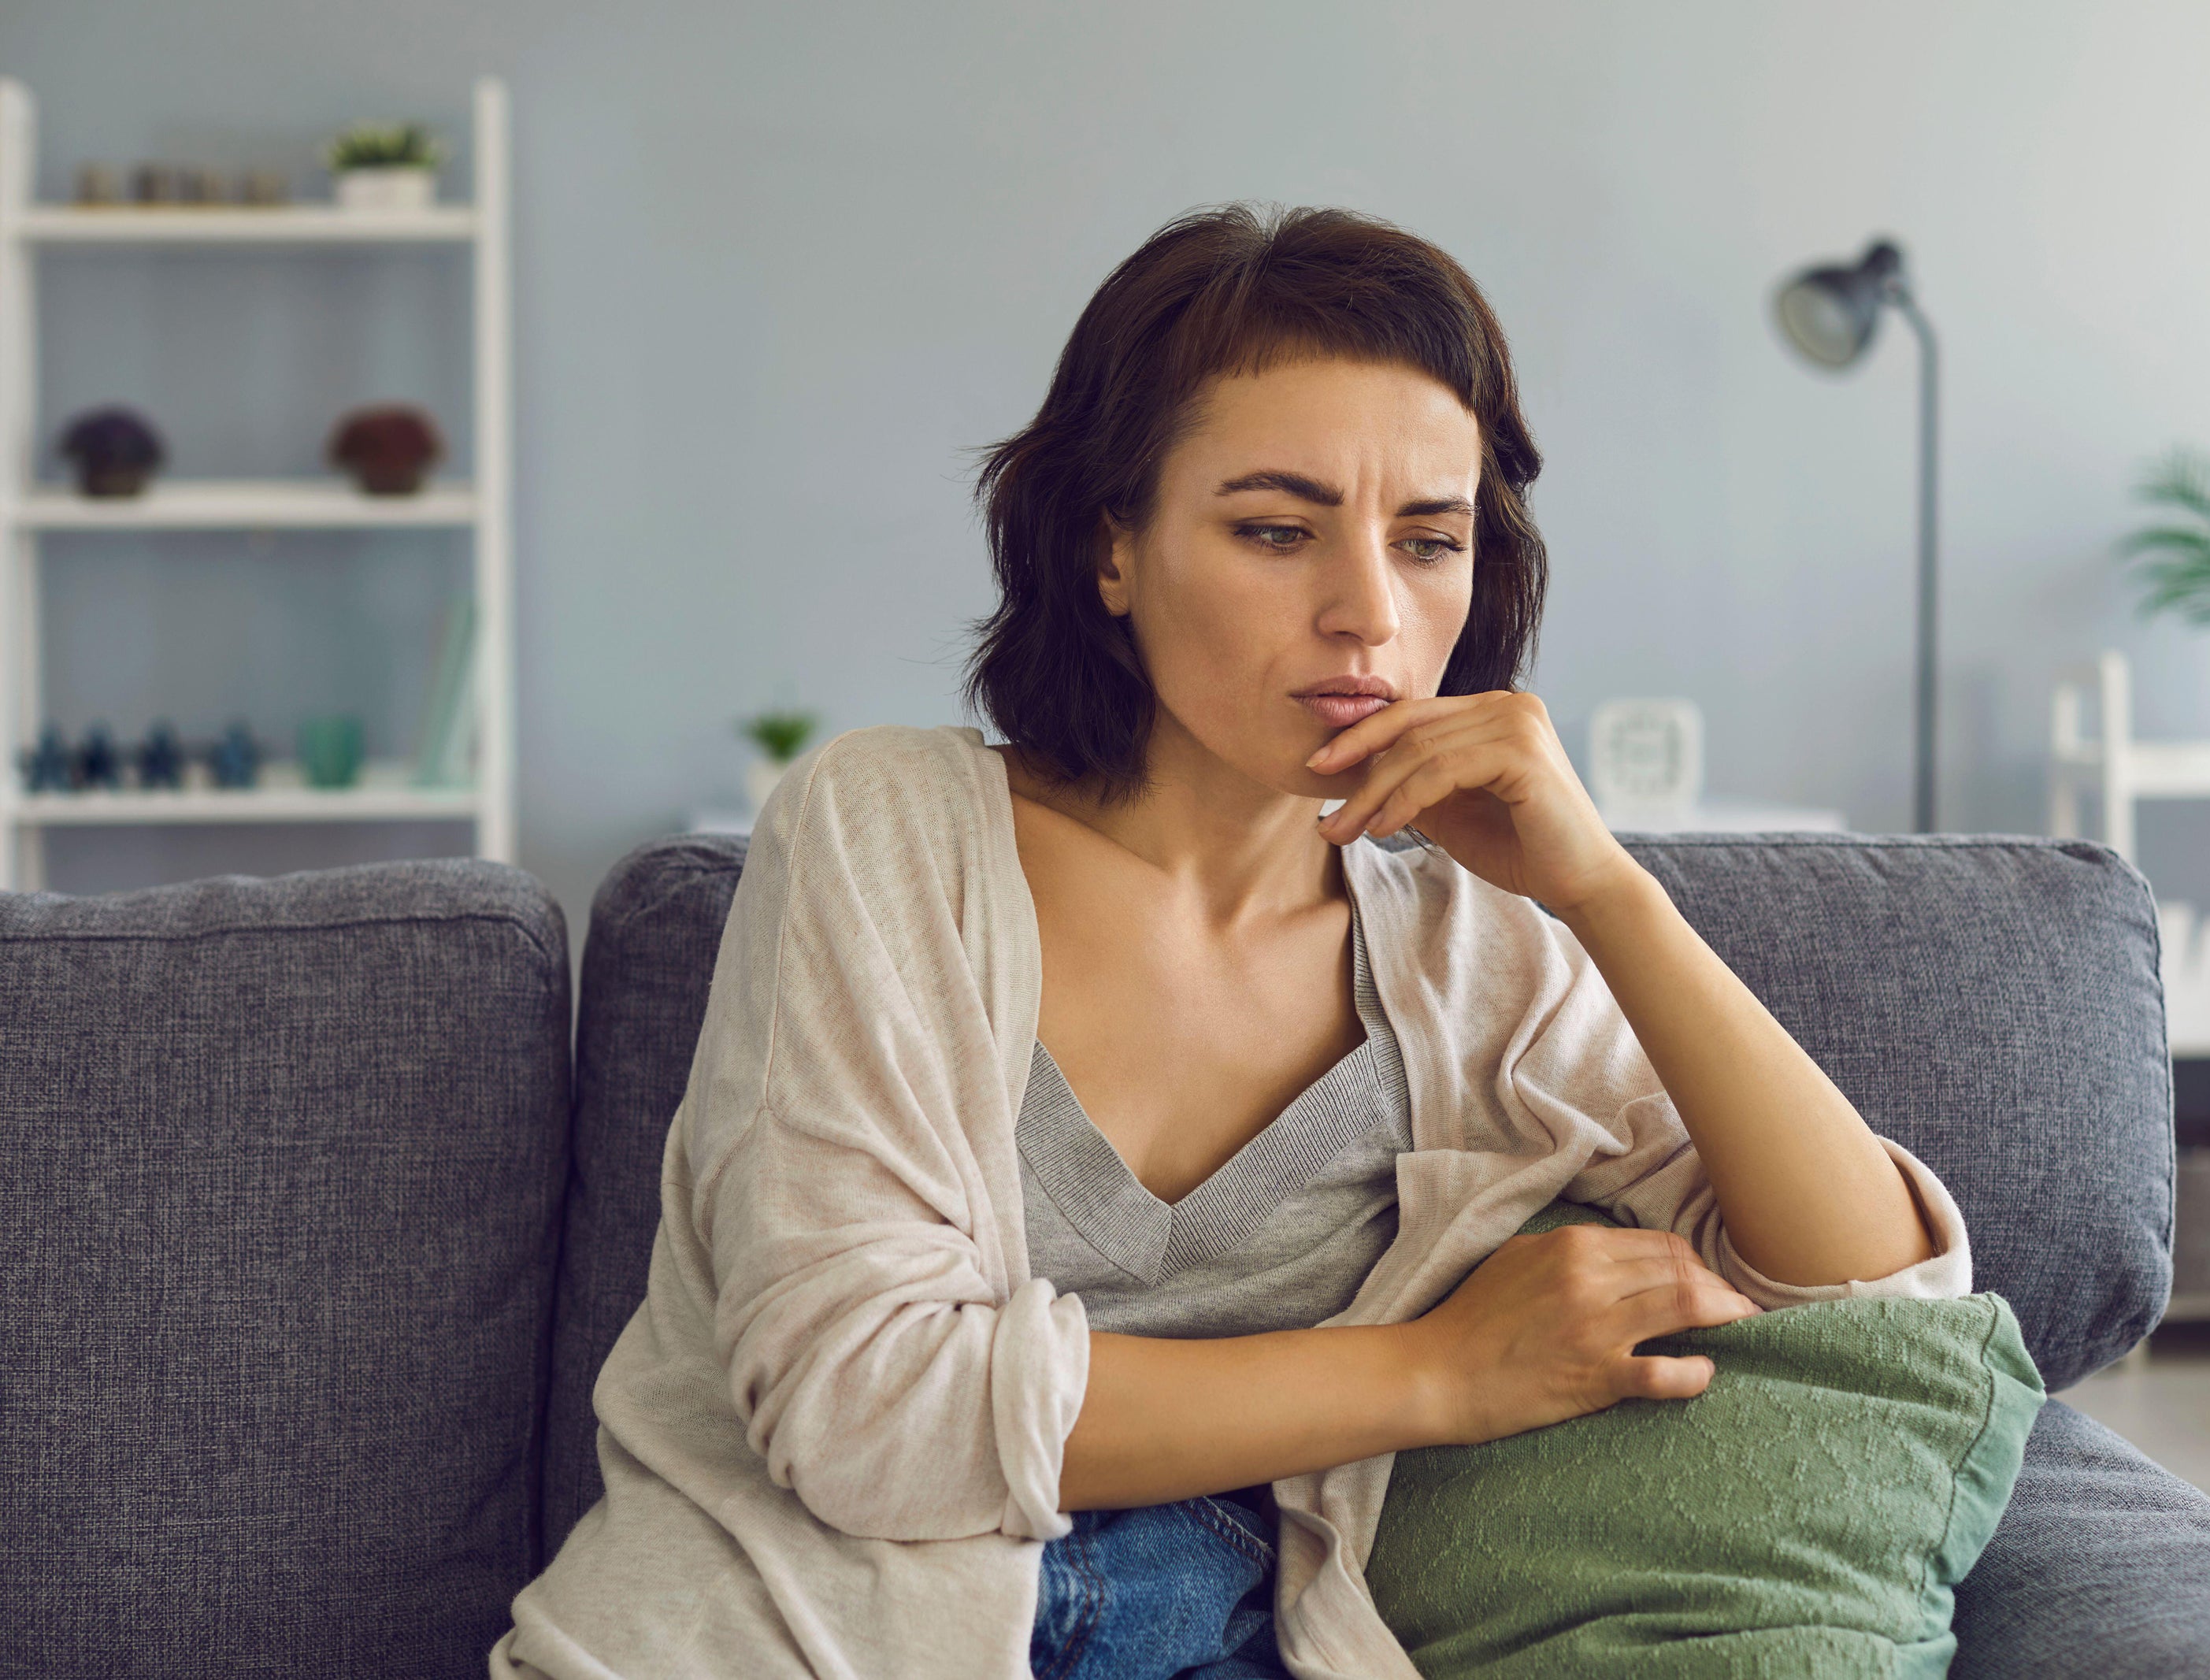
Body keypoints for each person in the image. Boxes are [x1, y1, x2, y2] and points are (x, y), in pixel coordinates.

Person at [491, 204, 1971, 1680]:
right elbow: (862, 1412)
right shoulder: (885, 830)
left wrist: (1609, 896)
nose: (1368, 614)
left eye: (1430, 540)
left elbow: (1869, 1292)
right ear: (1110, 548)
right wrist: (1434, 1375)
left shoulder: (1479, 957)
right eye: (1275, 530)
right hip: (793, 1632)